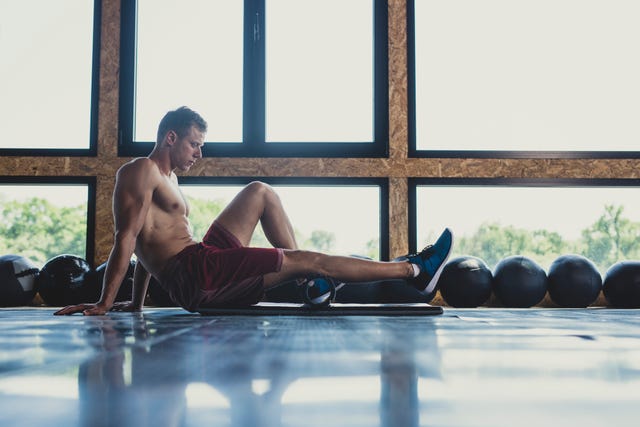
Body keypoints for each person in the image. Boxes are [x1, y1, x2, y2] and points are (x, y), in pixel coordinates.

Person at [55, 106, 453, 315]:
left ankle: (308, 287)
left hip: (200, 262)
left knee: (259, 192)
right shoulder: (140, 170)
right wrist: (105, 303)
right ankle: (415, 272)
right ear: (170, 137)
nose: (200, 152)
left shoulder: (169, 179)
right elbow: (128, 238)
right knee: (307, 259)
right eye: (194, 144)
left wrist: (138, 304)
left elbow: (146, 244)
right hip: (198, 275)